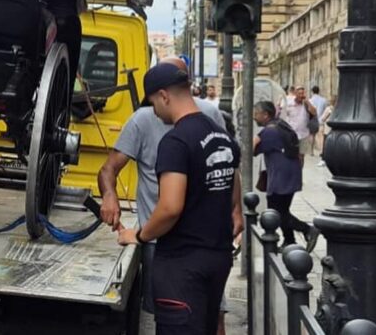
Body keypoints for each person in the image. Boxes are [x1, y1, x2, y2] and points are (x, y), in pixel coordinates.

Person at [98, 57, 232, 332]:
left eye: (154, 103)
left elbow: (170, 207)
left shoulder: (176, 141)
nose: (155, 111)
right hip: (217, 253)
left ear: (163, 96)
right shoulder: (218, 133)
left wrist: (138, 235)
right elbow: (232, 184)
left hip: (180, 261)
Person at [253, 101, 320, 252]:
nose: (254, 117)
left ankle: (308, 230)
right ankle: (289, 241)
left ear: (265, 115)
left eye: (256, 114)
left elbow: (251, 149)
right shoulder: (281, 125)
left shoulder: (269, 132)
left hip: (280, 179)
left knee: (275, 213)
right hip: (290, 175)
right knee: (282, 210)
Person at [279, 86, 317, 168]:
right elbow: (282, 113)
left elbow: (314, 112)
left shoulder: (307, 103)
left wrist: (307, 102)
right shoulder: (289, 102)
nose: (301, 95)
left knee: (301, 156)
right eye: (299, 93)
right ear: (295, 94)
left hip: (303, 134)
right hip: (291, 134)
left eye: (303, 93)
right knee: (290, 155)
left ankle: (299, 174)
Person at [316, 96, 337, 167]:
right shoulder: (339, 108)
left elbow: (323, 118)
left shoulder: (329, 109)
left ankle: (323, 160)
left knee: (325, 145)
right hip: (335, 130)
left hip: (328, 130)